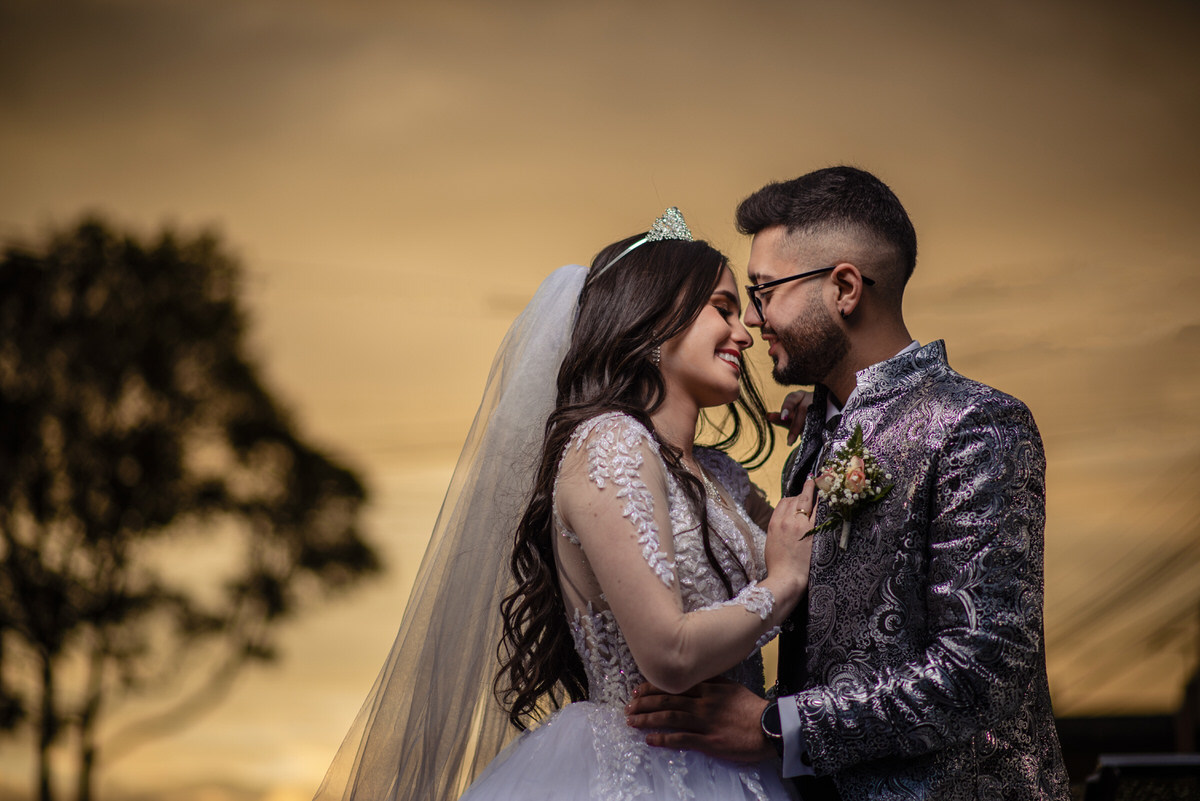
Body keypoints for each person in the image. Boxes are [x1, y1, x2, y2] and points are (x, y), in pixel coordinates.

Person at [313, 208, 815, 801]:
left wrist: (826, 431)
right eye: (723, 309)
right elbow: (670, 654)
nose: (745, 333)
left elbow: (816, 544)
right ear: (654, 319)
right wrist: (782, 584)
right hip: (643, 773)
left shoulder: (719, 475)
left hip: (744, 768)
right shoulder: (611, 444)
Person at [626, 168, 1072, 800]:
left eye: (765, 291)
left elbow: (983, 668)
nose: (753, 322)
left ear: (843, 288)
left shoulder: (978, 426)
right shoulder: (817, 434)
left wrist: (775, 726)